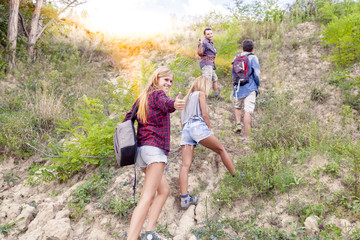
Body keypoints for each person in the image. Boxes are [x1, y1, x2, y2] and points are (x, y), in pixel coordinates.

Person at [125, 67, 185, 240]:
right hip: (154, 149)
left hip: (142, 152)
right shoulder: (158, 94)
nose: (168, 83)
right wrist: (174, 104)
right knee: (147, 196)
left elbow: (127, 119)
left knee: (164, 190)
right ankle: (132, 238)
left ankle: (150, 233)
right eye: (166, 79)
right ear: (156, 79)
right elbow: (167, 103)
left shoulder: (142, 97)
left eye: (171, 81)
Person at [178, 76, 236, 210]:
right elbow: (204, 114)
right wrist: (208, 128)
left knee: (185, 165)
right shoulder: (200, 94)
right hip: (198, 127)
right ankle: (236, 175)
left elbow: (181, 123)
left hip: (186, 130)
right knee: (221, 149)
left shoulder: (185, 100)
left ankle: (185, 199)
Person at [232, 39, 261, 142]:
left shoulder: (236, 57)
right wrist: (258, 85)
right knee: (248, 111)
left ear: (242, 48)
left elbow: (233, 73)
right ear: (253, 49)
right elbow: (256, 73)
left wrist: (235, 86)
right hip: (250, 87)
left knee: (237, 107)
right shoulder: (253, 58)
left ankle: (238, 124)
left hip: (238, 87)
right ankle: (247, 138)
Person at [197, 27, 220, 99]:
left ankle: (216, 96)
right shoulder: (204, 43)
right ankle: (204, 98)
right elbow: (200, 53)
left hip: (211, 65)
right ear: (205, 35)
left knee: (215, 79)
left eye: (211, 33)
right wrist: (200, 44)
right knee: (206, 81)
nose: (210, 35)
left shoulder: (210, 43)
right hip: (206, 64)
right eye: (208, 34)